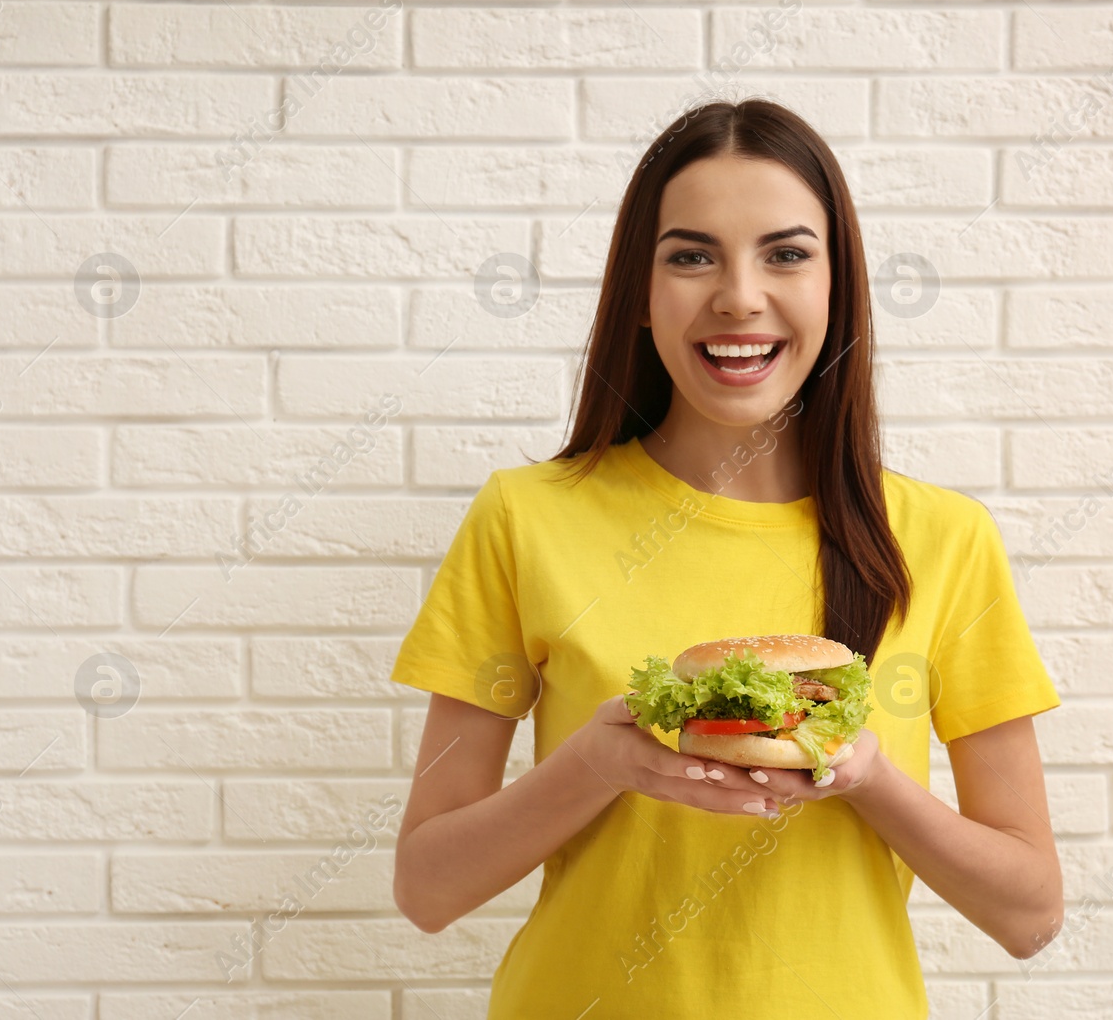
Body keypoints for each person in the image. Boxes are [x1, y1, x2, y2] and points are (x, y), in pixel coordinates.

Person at [389, 97, 1063, 1019]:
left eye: (786, 253)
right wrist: (596, 764)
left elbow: (1030, 914)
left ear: (838, 287)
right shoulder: (526, 517)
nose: (738, 295)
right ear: (641, 290)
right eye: (691, 254)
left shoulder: (942, 537)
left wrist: (863, 776)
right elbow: (427, 888)